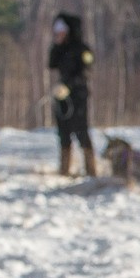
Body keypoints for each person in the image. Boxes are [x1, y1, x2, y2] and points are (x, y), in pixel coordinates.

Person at [47, 12, 97, 177]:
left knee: (81, 131)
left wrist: (69, 86)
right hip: (63, 96)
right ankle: (64, 170)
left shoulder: (82, 50)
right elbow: (51, 63)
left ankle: (91, 170)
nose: (58, 35)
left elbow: (86, 71)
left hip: (78, 94)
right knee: (63, 132)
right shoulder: (61, 49)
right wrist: (57, 44)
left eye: (61, 32)